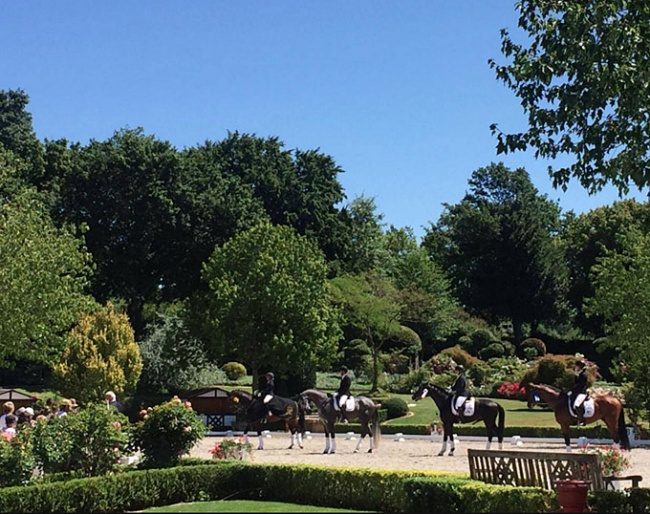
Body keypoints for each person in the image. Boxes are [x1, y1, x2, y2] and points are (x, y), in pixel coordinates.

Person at [570, 360, 589, 425]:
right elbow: (575, 383)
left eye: (577, 366)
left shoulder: (583, 375)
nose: (576, 367)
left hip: (581, 393)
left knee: (577, 405)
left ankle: (582, 420)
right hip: (577, 392)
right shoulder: (579, 374)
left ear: (580, 367)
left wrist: (573, 390)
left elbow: (581, 385)